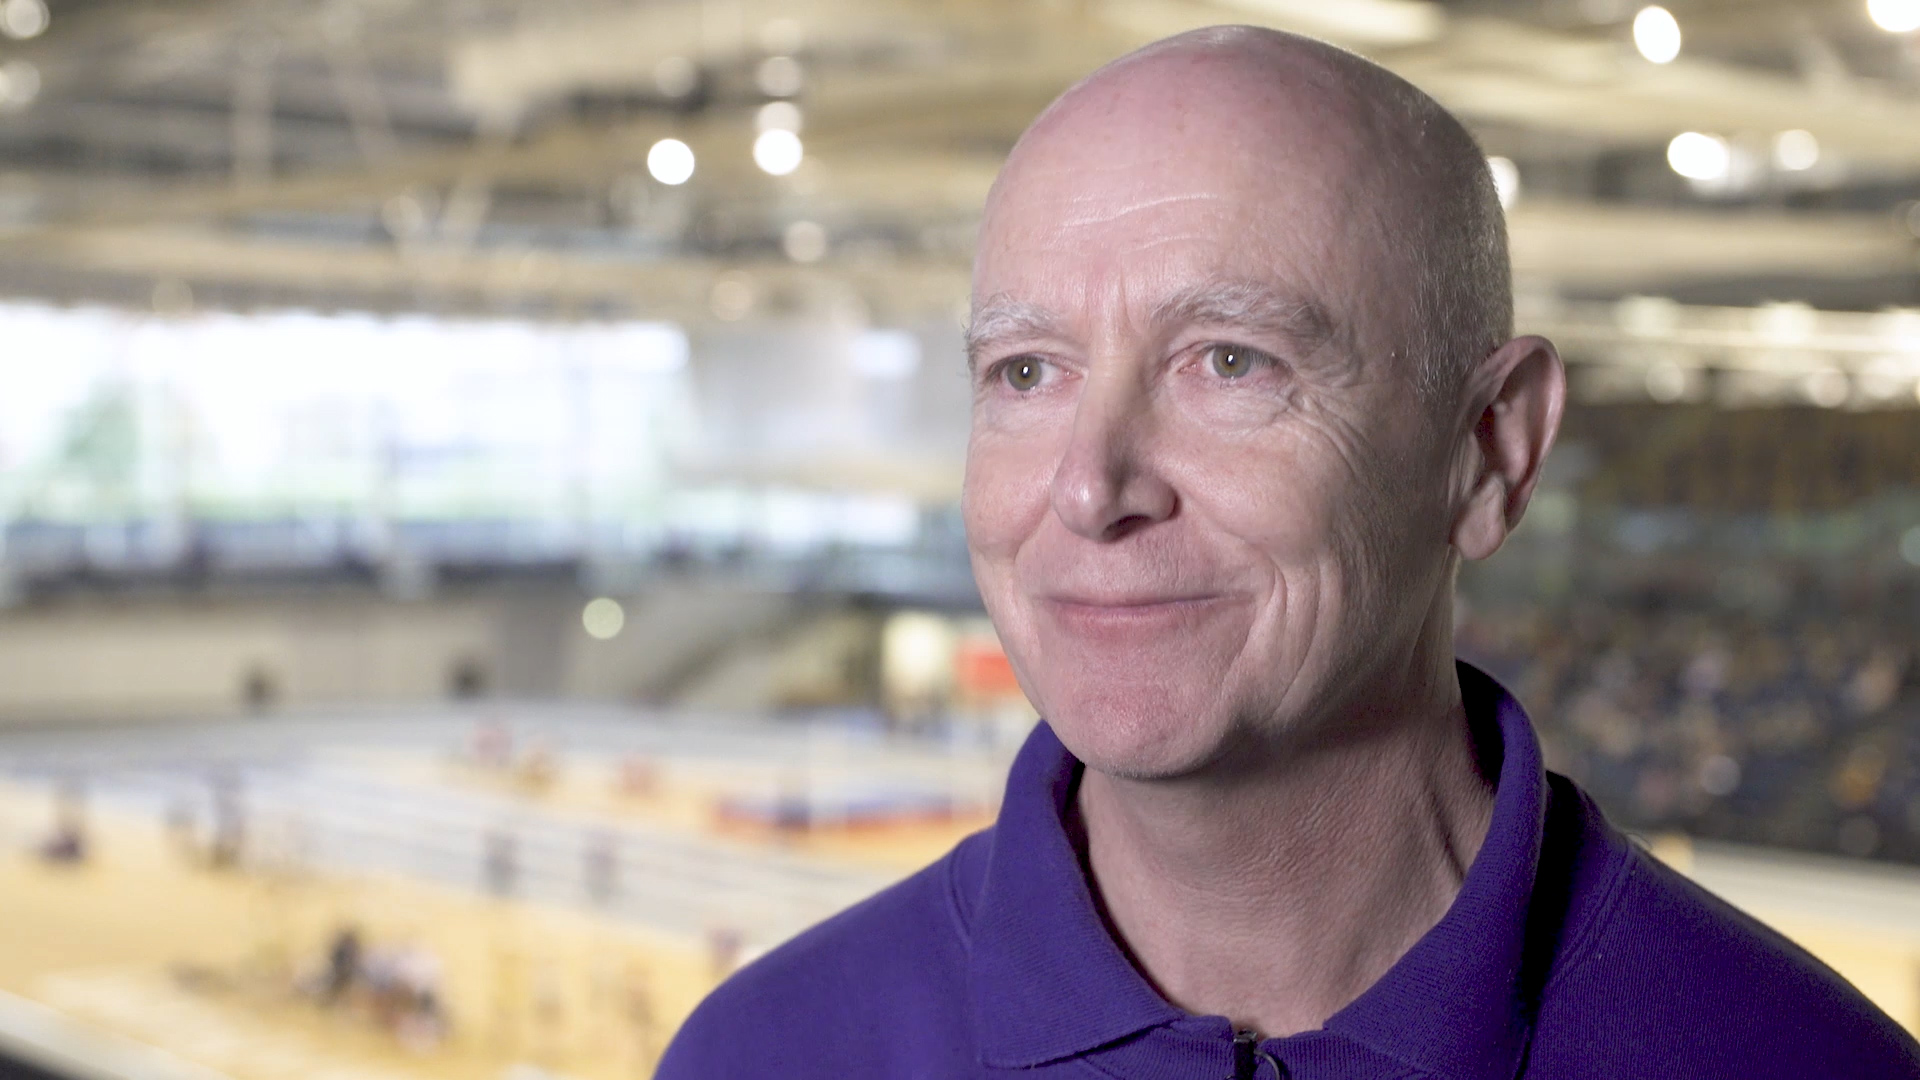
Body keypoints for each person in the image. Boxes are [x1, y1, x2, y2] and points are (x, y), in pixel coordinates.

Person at [657, 26, 1920, 1080]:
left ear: (1489, 452)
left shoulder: (1802, 1061)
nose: (1093, 488)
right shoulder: (765, 1053)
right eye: (1027, 372)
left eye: (1230, 361)